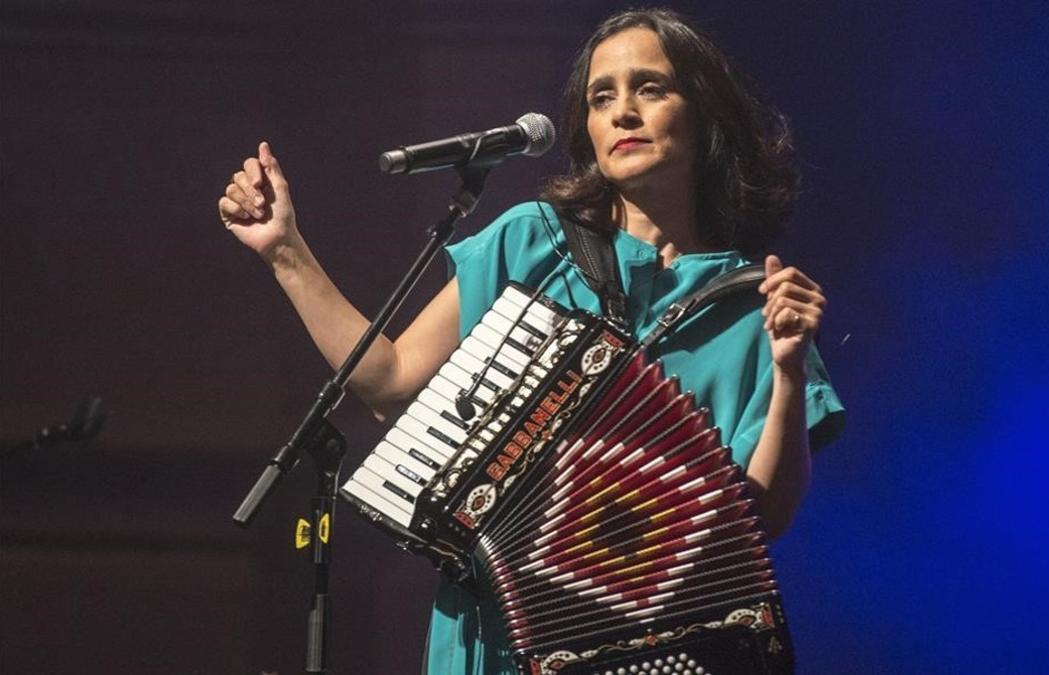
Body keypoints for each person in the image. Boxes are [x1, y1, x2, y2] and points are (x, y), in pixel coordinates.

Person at [218, 8, 844, 674]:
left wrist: (786, 369)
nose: (623, 112)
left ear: (704, 115)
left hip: (656, 648)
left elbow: (761, 518)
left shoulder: (754, 305)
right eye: (602, 97)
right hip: (497, 636)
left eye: (650, 89)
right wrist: (285, 251)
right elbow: (389, 381)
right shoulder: (531, 241)